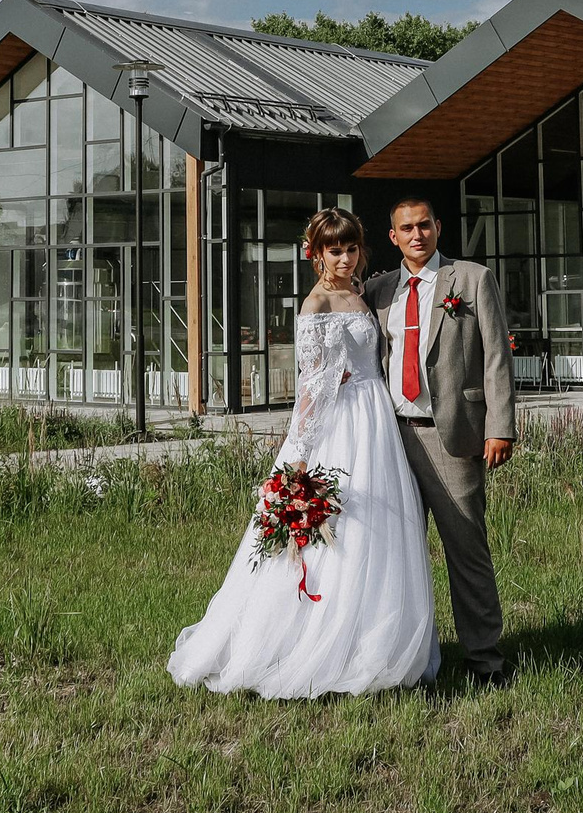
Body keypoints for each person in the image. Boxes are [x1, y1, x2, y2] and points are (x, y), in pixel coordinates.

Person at [168, 207, 440, 698]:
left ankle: (375, 642)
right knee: (340, 531)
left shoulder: (358, 291)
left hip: (376, 418)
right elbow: (311, 388)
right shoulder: (315, 306)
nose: (345, 258)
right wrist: (299, 453)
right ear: (315, 254)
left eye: (351, 248)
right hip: (342, 423)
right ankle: (316, 644)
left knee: (380, 533)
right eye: (335, 251)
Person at [363, 196, 516, 685]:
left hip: (452, 436)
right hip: (391, 440)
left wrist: (499, 426)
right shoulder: (378, 291)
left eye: (424, 225)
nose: (417, 234)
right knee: (396, 558)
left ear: (438, 226)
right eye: (407, 228)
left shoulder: (471, 280)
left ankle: (485, 660)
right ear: (393, 237)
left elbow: (497, 356)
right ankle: (404, 662)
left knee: (467, 551)